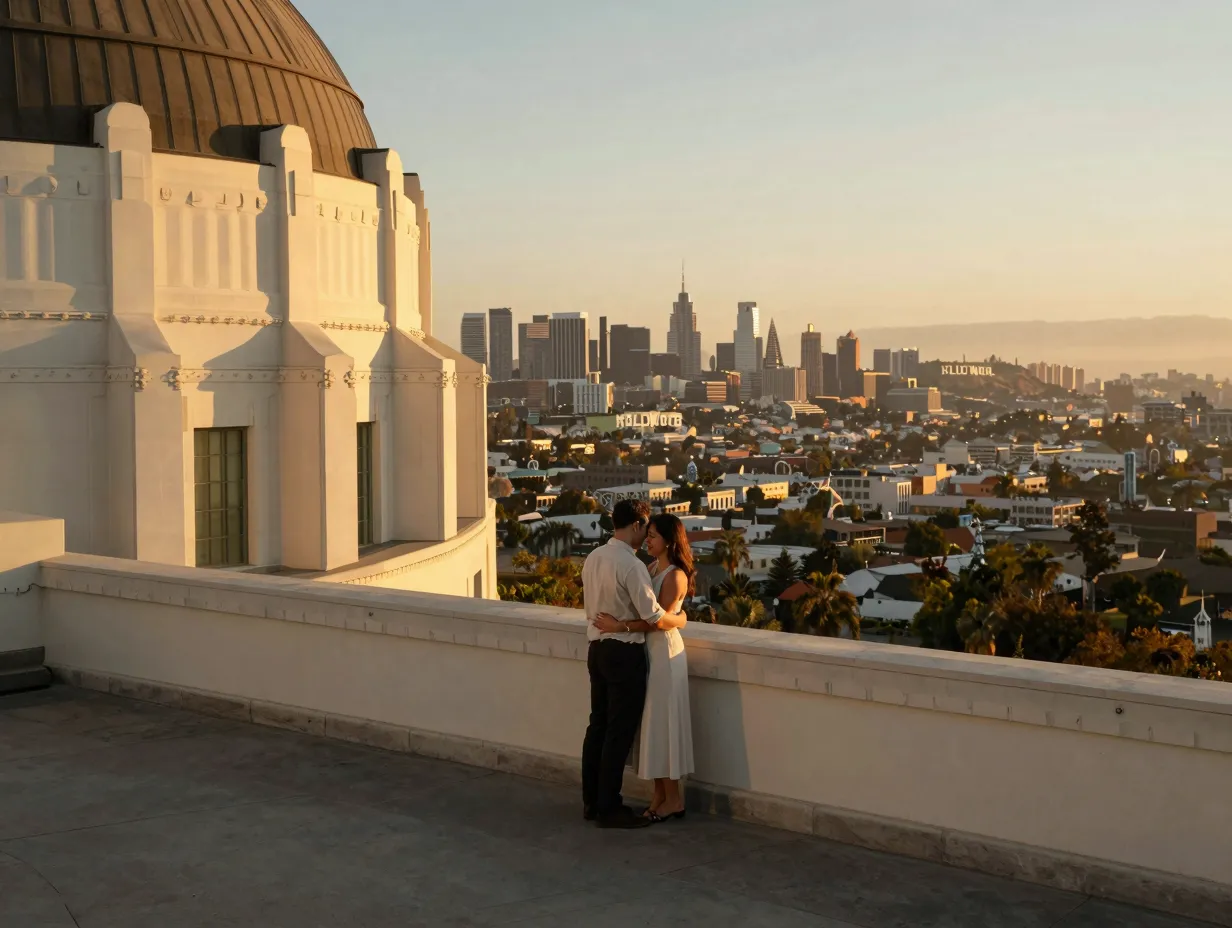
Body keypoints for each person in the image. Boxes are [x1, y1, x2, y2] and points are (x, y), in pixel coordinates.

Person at [594, 513, 695, 822]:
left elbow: (659, 621)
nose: (647, 540)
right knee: (652, 725)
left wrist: (619, 626)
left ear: (669, 540)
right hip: (648, 653)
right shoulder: (651, 567)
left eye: (653, 536)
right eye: (647, 534)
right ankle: (660, 796)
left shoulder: (675, 575)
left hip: (663, 654)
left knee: (663, 724)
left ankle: (673, 799)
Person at [580, 499, 665, 829]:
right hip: (623, 652)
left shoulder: (594, 557)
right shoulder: (631, 565)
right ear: (638, 524)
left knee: (597, 727)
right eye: (645, 529)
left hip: (597, 650)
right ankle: (609, 807)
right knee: (618, 732)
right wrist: (679, 617)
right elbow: (653, 616)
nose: (645, 536)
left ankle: (592, 802)